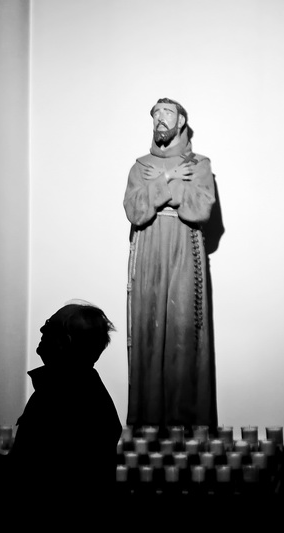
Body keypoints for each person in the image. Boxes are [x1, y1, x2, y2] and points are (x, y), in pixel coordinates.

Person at [0, 302, 121, 527]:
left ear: (67, 341)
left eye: (49, 326)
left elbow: (44, 473)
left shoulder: (67, 395)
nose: (42, 331)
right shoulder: (67, 388)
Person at [123, 98, 217, 430]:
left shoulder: (200, 164)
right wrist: (171, 179)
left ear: (181, 122)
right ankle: (146, 425)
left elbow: (200, 209)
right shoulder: (140, 165)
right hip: (148, 249)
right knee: (148, 330)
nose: (161, 119)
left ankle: (185, 429)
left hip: (183, 247)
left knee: (182, 331)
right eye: (156, 114)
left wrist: (161, 184)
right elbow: (135, 211)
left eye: (168, 114)